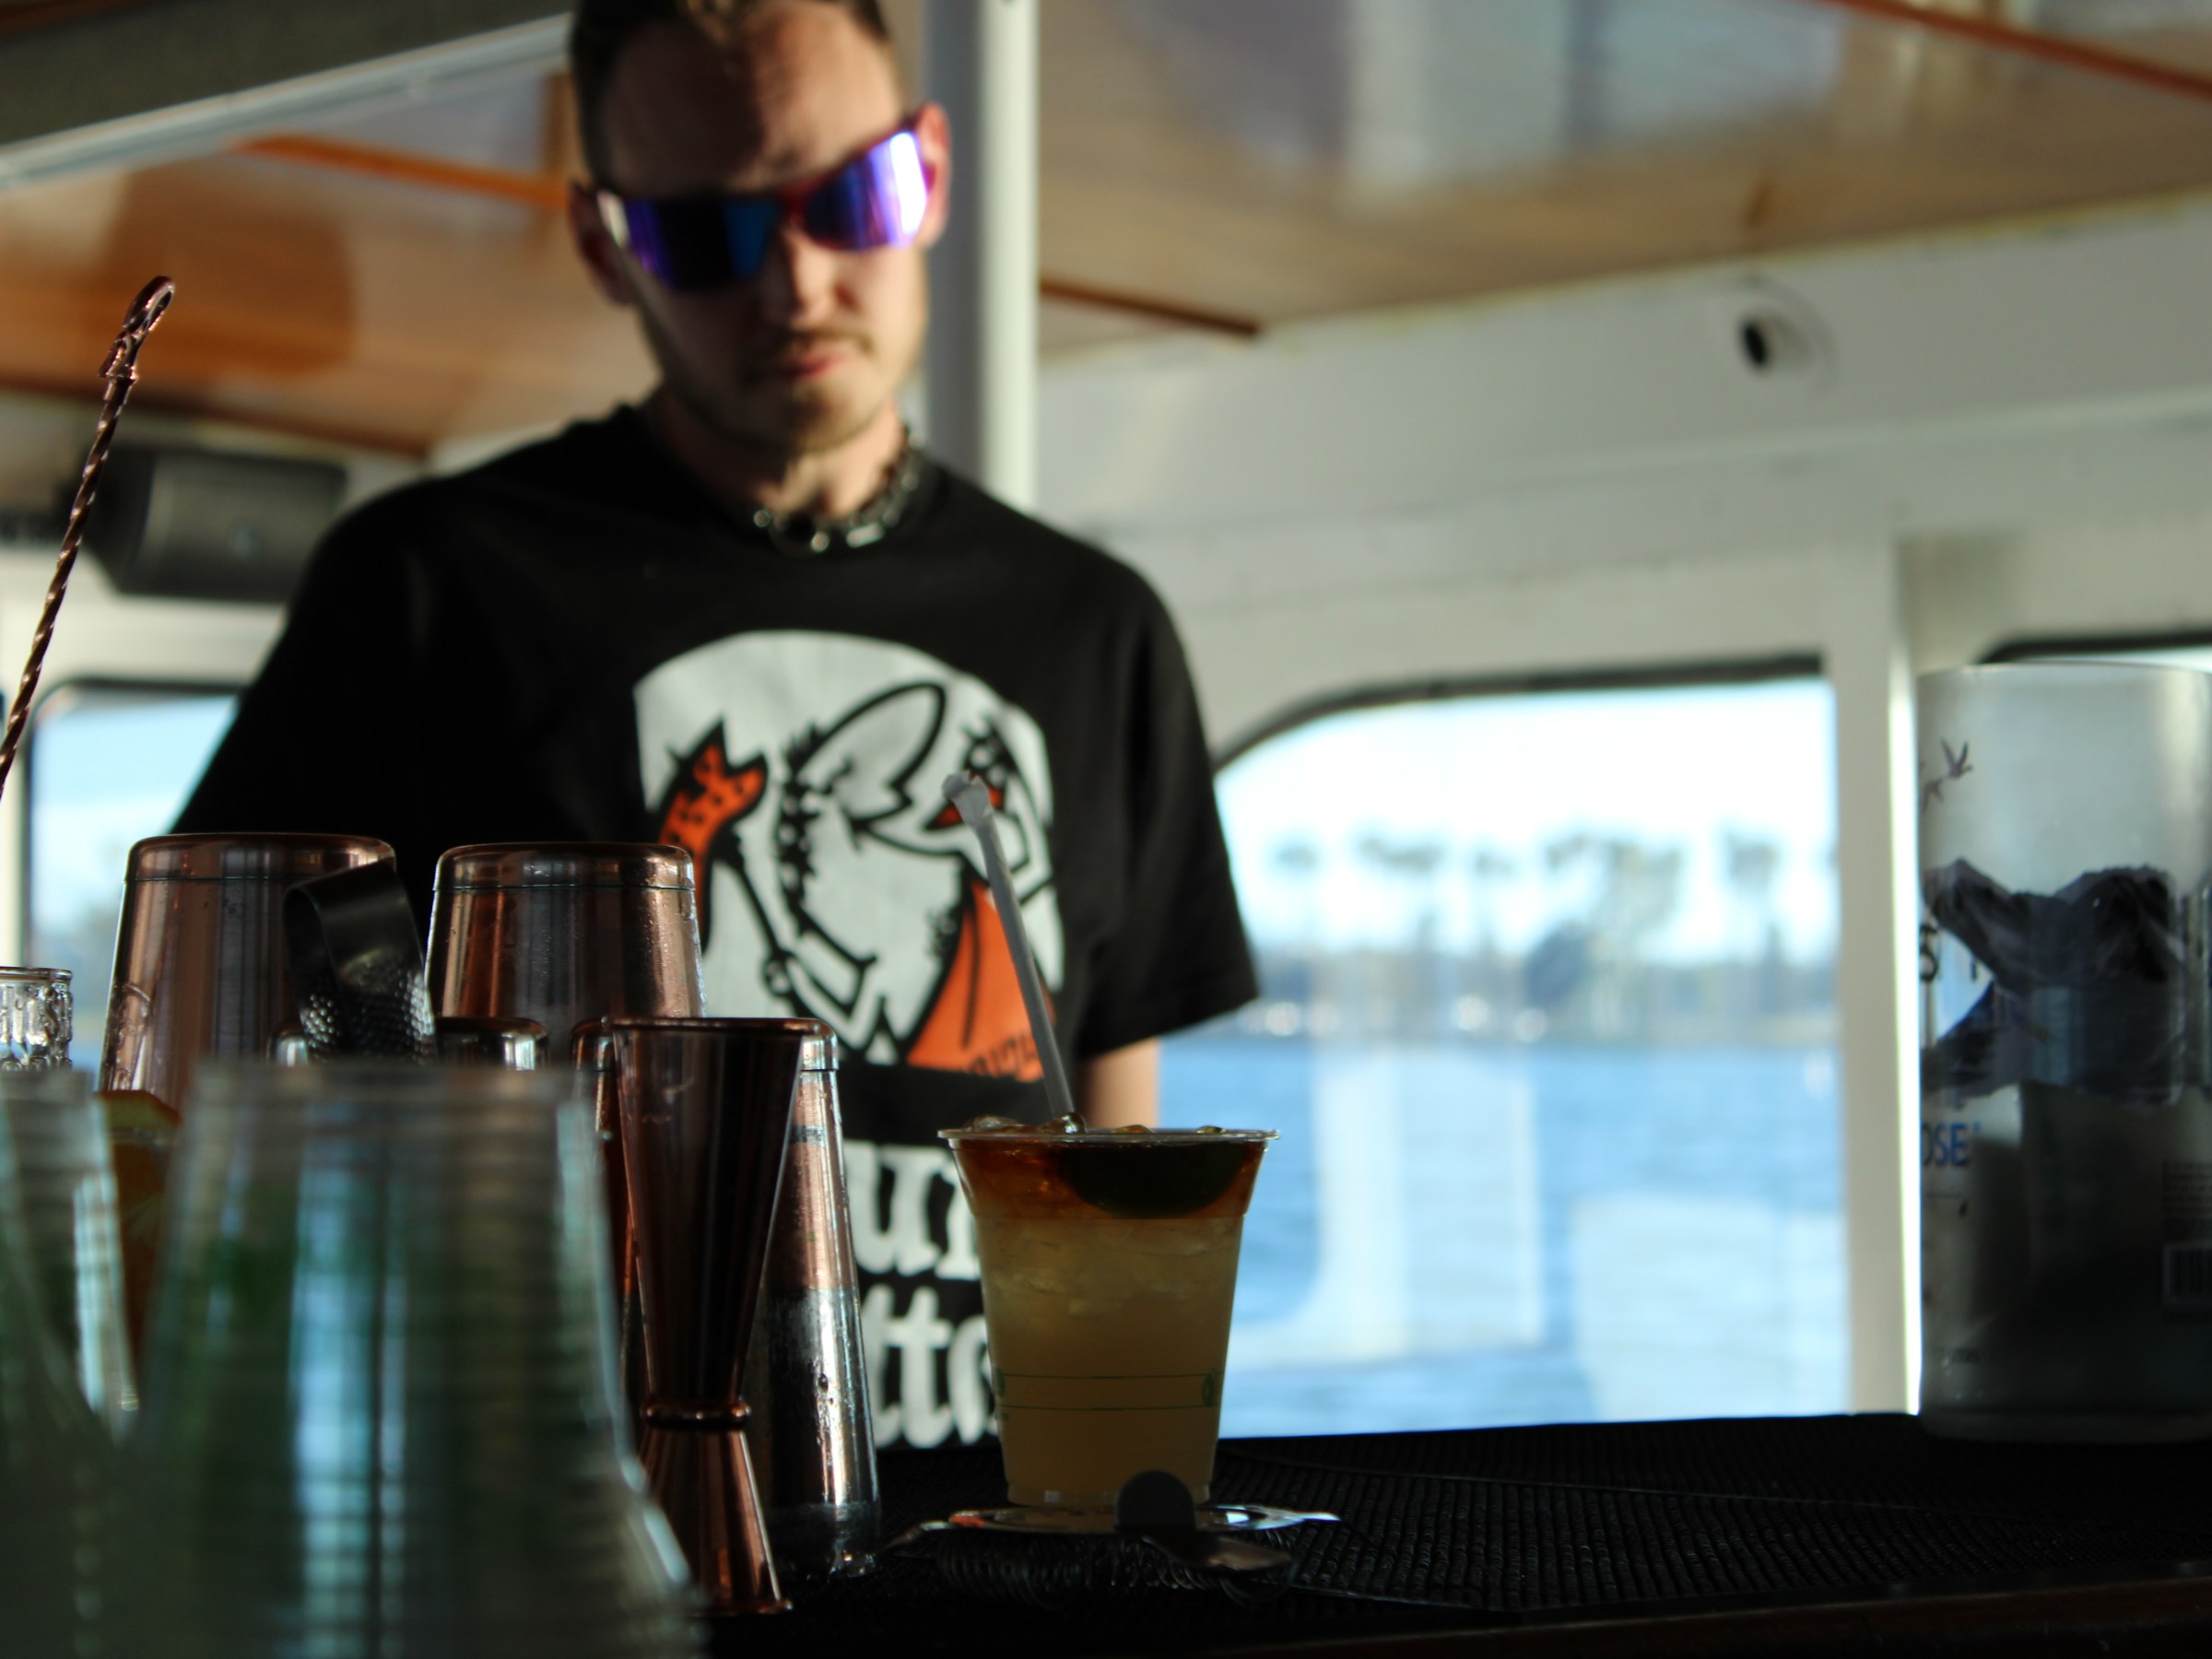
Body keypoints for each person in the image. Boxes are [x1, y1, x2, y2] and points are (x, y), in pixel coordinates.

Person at [174, 0, 1256, 1450]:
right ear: (602, 241)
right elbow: (230, 1037)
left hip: (1004, 1533)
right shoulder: (434, 589)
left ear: (926, 171)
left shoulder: (1098, 629)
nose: (797, 280)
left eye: (849, 197)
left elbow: (1111, 1146)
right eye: (705, 234)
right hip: (570, 1516)